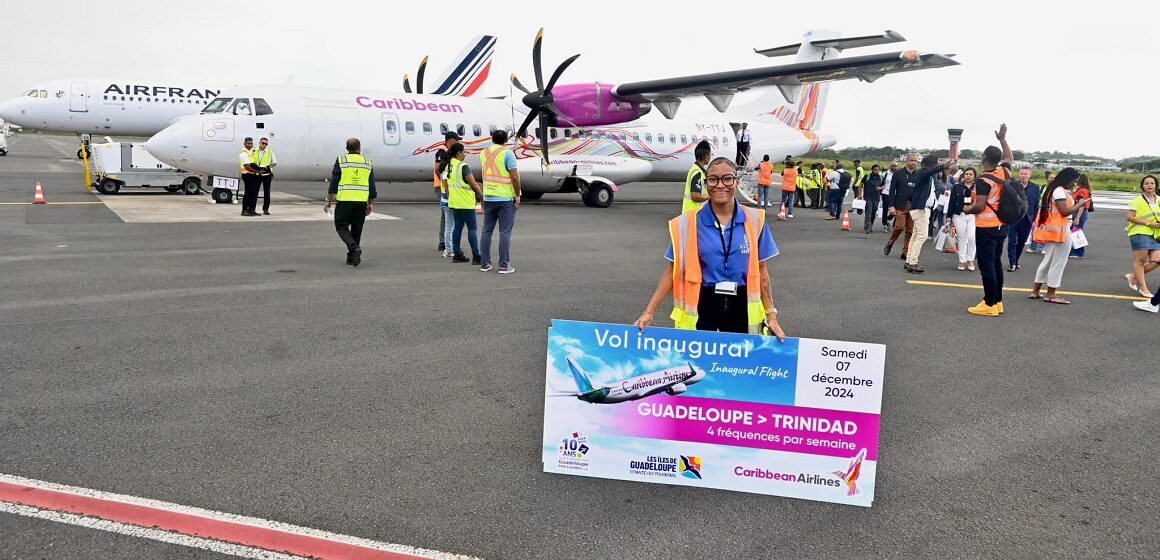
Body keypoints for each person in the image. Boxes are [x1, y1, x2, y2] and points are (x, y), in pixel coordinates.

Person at [633, 157, 785, 339]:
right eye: (713, 179)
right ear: (706, 184)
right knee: (700, 365)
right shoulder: (687, 224)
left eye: (727, 178)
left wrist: (771, 315)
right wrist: (649, 312)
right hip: (703, 305)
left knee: (737, 365)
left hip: (741, 307)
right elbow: (672, 270)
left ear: (736, 181)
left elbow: (762, 271)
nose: (720, 185)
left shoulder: (755, 219)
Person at [963, 123, 1014, 316]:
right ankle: (998, 301)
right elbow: (1009, 156)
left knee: (986, 265)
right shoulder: (1003, 171)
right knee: (996, 263)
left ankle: (990, 303)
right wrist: (1002, 139)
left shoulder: (983, 180)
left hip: (987, 226)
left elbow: (980, 206)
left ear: (984, 157)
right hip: (1002, 225)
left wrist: (967, 209)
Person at [1028, 168, 1086, 304]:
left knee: (1047, 260)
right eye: (1074, 181)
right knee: (1058, 262)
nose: (1074, 184)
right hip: (1061, 230)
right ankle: (1051, 294)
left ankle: (1035, 291)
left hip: (1053, 231)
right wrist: (1079, 204)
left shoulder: (1053, 190)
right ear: (1068, 179)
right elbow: (1065, 211)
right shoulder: (1059, 191)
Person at [323, 138, 376, 267]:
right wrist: (370, 202)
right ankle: (351, 257)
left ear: (347, 148)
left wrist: (329, 200)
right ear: (360, 148)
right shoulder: (367, 162)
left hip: (345, 199)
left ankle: (354, 248)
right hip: (361, 200)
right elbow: (371, 184)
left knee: (341, 226)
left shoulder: (341, 160)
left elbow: (334, 181)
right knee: (357, 229)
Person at [478, 129, 522, 274]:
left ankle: (485, 264)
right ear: (505, 141)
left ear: (492, 139)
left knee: (487, 231)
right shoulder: (507, 153)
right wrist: (517, 195)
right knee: (505, 232)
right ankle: (503, 265)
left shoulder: (483, 153)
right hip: (505, 198)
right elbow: (515, 177)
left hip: (489, 195)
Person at [902, 155, 952, 274]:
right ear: (932, 165)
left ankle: (909, 260)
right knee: (922, 236)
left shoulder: (924, 175)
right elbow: (929, 171)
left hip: (921, 208)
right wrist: (942, 167)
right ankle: (913, 262)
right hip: (921, 209)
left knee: (916, 235)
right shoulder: (924, 173)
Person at [443, 142, 483, 265]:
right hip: (466, 202)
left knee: (457, 228)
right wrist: (482, 197)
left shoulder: (448, 166)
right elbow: (474, 185)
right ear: (459, 153)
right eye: (464, 152)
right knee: (472, 229)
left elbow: (446, 185)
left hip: (455, 202)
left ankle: (457, 254)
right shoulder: (463, 166)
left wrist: (450, 198)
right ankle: (476, 256)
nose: (465, 154)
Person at [1125, 174, 1160, 298]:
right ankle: (1143, 289)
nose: (1149, 185)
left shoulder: (1159, 200)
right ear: (1142, 186)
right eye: (1147, 183)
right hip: (1140, 232)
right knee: (1140, 261)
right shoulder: (1137, 201)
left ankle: (1133, 276)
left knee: (1157, 260)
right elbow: (1129, 217)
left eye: (1152, 183)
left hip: (1156, 234)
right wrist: (1148, 223)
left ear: (1156, 185)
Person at [1006, 166, 1041, 272]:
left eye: (1026, 174)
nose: (1023, 176)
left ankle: (1016, 260)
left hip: (1027, 219)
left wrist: (1034, 218)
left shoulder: (1035, 187)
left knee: (1021, 241)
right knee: (1011, 241)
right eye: (1021, 173)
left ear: (1030, 175)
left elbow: (1036, 204)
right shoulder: (1011, 185)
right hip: (1013, 218)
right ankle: (1012, 263)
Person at [884, 155, 919, 259]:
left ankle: (905, 251)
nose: (913, 163)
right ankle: (890, 242)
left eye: (915, 161)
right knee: (900, 226)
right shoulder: (898, 173)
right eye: (911, 160)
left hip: (913, 206)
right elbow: (891, 190)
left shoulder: (918, 174)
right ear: (907, 161)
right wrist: (891, 206)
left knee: (910, 230)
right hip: (900, 205)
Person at [435, 131, 461, 254]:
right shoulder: (442, 151)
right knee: (446, 216)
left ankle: (446, 242)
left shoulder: (449, 153)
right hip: (444, 187)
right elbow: (437, 169)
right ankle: (443, 242)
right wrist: (445, 180)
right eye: (456, 140)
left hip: (447, 187)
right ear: (450, 140)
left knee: (447, 216)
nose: (458, 143)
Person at [947, 167, 978, 271]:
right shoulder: (957, 187)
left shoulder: (977, 187)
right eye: (966, 174)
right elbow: (951, 202)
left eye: (970, 174)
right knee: (962, 238)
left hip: (972, 215)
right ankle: (962, 260)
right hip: (959, 215)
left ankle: (970, 259)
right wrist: (949, 216)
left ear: (974, 176)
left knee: (971, 237)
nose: (968, 176)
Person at [683, 140, 712, 213]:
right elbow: (695, 197)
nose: (710, 157)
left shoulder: (697, 170)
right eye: (710, 155)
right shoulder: (697, 173)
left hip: (693, 213)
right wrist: (711, 196)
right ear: (705, 156)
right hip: (693, 214)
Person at [1070, 174, 1093, 258]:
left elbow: (1081, 205)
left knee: (1077, 233)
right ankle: (1075, 251)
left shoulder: (1082, 191)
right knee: (1076, 232)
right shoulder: (1083, 190)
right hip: (1080, 213)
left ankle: (1078, 252)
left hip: (1080, 213)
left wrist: (1077, 218)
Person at [252, 137, 277, 215]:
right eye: (263, 143)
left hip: (267, 174)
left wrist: (267, 167)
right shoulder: (253, 151)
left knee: (267, 193)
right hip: (257, 173)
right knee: (254, 192)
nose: (264, 145)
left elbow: (274, 163)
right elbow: (251, 161)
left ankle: (266, 209)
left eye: (266, 144)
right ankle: (252, 209)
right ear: (259, 143)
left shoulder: (270, 151)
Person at [238, 137, 262, 216]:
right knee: (248, 193)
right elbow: (247, 166)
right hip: (247, 175)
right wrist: (258, 171)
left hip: (252, 175)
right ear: (244, 144)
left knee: (253, 193)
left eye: (251, 143)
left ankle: (251, 210)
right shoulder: (244, 153)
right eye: (248, 143)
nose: (250, 145)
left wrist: (260, 169)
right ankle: (244, 210)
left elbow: (252, 163)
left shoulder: (250, 152)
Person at [862, 164, 883, 234]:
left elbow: (885, 185)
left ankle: (870, 225)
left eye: (878, 170)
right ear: (872, 170)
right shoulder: (867, 177)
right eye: (875, 170)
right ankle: (867, 227)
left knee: (874, 212)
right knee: (868, 212)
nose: (876, 171)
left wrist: (880, 188)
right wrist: (859, 194)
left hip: (876, 197)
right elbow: (860, 185)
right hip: (868, 197)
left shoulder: (881, 177)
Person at [880, 163, 896, 231]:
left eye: (895, 166)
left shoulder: (897, 174)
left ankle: (888, 218)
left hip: (894, 194)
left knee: (895, 209)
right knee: (885, 209)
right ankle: (885, 224)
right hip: (885, 193)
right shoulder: (885, 173)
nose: (894, 167)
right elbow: (880, 181)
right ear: (890, 166)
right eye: (893, 165)